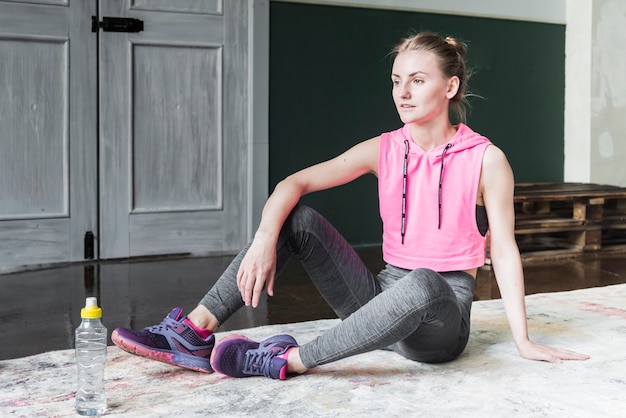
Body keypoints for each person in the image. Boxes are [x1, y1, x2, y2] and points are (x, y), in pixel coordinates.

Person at [112, 31, 589, 380]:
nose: (402, 92)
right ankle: (194, 331)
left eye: (417, 80)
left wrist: (523, 341)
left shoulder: (487, 159)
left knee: (423, 281)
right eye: (397, 80)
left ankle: (288, 361)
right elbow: (293, 182)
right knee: (295, 219)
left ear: (450, 87)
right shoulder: (384, 149)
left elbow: (503, 249)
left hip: (440, 321)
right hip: (379, 297)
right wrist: (263, 240)